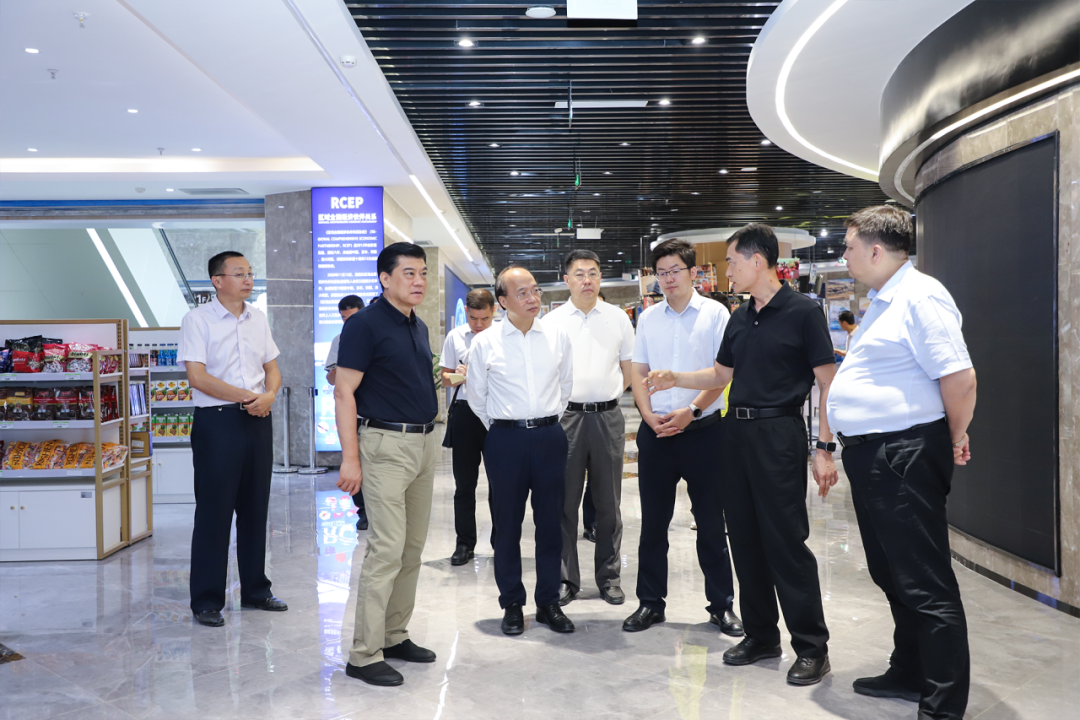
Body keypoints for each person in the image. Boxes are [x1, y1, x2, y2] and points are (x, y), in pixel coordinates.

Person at [646, 223, 837, 686]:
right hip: (735, 434)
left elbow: (827, 383)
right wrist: (675, 378)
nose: (727, 271)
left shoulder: (802, 312)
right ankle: (761, 635)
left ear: (757, 260)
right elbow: (719, 374)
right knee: (745, 539)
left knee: (785, 541)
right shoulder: (740, 316)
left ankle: (811, 646)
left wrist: (825, 447)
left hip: (779, 432)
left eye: (731, 262)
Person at [829, 206, 976, 720]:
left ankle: (942, 706)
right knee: (891, 572)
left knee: (925, 582)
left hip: (902, 453)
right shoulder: (884, 301)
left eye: (848, 247)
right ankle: (910, 671)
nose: (843, 256)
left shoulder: (920, 296)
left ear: (875, 250)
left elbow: (959, 379)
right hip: (876, 454)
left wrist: (952, 435)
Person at [622, 239, 742, 638]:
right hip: (656, 433)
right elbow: (639, 370)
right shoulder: (649, 317)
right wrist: (647, 416)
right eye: (662, 272)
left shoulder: (715, 314)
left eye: (675, 270)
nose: (669, 278)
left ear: (693, 272)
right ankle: (650, 603)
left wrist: (690, 411)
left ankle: (721, 606)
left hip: (704, 432)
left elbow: (723, 374)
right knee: (653, 525)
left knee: (711, 524)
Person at [333, 243, 439, 687]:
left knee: (412, 549)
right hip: (385, 446)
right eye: (409, 273)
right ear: (384, 278)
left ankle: (394, 635)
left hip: (423, 444)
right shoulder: (364, 325)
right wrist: (350, 458)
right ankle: (363, 654)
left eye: (423, 273)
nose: (419, 281)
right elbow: (344, 391)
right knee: (387, 549)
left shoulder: (418, 324)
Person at [178, 251, 286, 628]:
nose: (248, 279)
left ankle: (256, 589)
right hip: (217, 421)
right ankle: (207, 599)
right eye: (239, 273)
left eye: (250, 273)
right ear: (217, 280)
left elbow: (272, 368)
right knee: (215, 511)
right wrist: (249, 397)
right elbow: (197, 377)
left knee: (256, 508)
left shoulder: (258, 319)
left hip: (258, 420)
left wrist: (269, 396)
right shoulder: (197, 320)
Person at [467, 266, 575, 636]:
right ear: (503, 301)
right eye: (522, 293)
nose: (533, 298)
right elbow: (477, 398)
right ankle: (512, 603)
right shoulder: (486, 343)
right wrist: (504, 428)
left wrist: (545, 420)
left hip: (549, 437)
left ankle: (548, 602)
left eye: (535, 291)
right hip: (505, 440)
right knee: (507, 525)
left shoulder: (557, 336)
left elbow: (565, 386)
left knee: (550, 523)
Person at [544, 250, 635, 606]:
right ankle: (566, 579)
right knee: (564, 503)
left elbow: (628, 370)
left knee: (609, 502)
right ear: (566, 280)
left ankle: (609, 578)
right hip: (566, 419)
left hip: (608, 418)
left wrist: (607, 395)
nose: (587, 280)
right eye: (579, 274)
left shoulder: (617, 318)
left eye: (593, 273)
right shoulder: (552, 322)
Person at [440, 289, 496, 565]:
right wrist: (459, 376)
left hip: (495, 414)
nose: (478, 324)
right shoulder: (455, 336)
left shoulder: (502, 336)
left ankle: (501, 541)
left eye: (484, 318)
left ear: (494, 311)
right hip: (464, 413)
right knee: (464, 485)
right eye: (473, 318)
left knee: (500, 484)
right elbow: (445, 379)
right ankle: (464, 544)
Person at [325, 294, 368, 531]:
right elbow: (331, 379)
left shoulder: (373, 336)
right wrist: (342, 369)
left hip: (376, 412)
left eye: (352, 317)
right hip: (352, 413)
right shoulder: (339, 340)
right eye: (344, 318)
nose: (348, 323)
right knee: (354, 464)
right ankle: (362, 511)